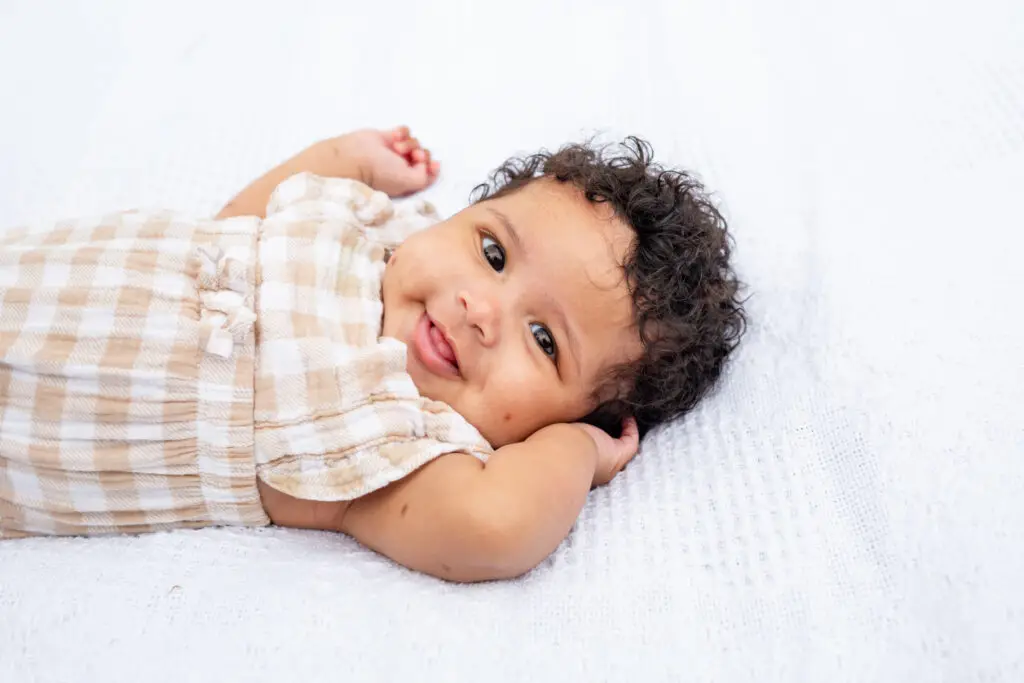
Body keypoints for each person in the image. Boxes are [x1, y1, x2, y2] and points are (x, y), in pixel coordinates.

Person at [0, 126, 745, 582]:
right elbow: (233, 224)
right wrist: (345, 159)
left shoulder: (386, 447)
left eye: (543, 339)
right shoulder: (360, 234)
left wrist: (576, 453)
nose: (481, 312)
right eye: (491, 251)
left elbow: (495, 525)